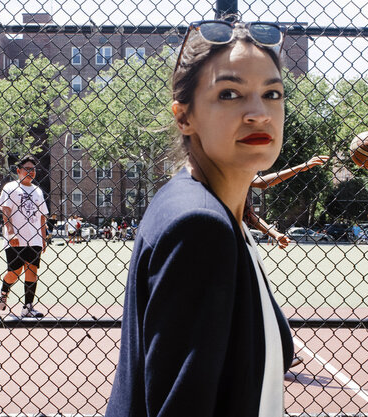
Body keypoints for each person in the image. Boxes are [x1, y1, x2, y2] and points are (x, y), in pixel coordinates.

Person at [106, 20, 293, 416]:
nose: (259, 114)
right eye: (229, 94)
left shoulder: (215, 209)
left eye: (272, 93)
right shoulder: (199, 227)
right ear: (184, 117)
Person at [0, 155, 48, 318]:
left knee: (32, 270)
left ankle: (28, 307)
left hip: (34, 238)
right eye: (27, 169)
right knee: (15, 272)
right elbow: (6, 210)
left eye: (33, 169)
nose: (31, 172)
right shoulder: (10, 187)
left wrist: (43, 238)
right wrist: (10, 232)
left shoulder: (38, 191)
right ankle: (4, 290)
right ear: (18, 171)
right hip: (16, 238)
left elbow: (42, 216)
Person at [245, 155, 330, 249]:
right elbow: (262, 182)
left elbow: (250, 216)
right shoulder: (231, 168)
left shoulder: (240, 182)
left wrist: (276, 234)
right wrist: (301, 167)